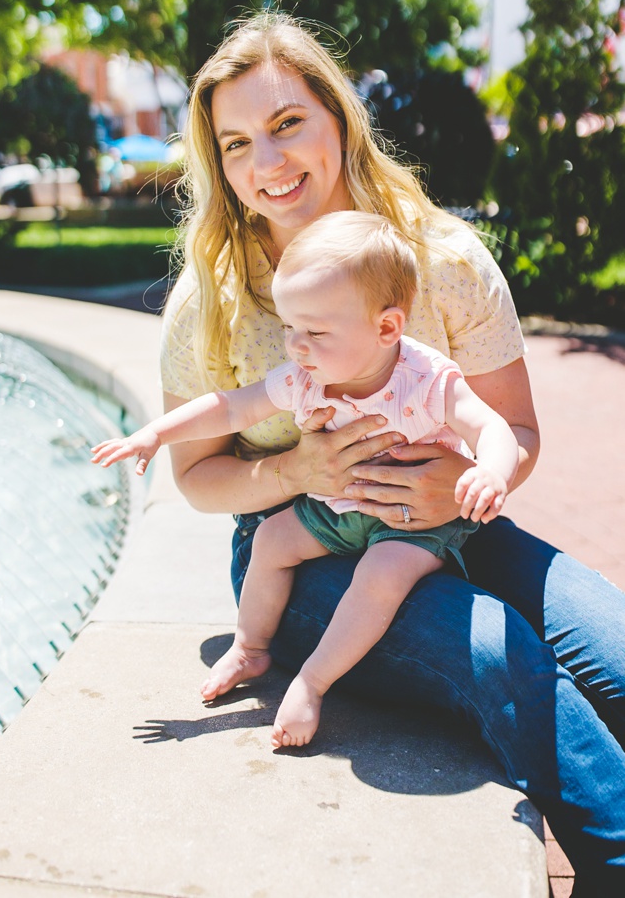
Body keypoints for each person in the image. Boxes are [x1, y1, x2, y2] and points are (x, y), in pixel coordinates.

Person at [159, 9, 625, 893]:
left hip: (454, 528)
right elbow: (195, 478)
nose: (268, 161)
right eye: (235, 142)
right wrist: (294, 470)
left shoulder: (442, 256)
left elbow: (516, 430)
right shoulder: (210, 300)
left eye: (288, 123)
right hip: (306, 554)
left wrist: (466, 481)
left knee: (618, 651)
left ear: (338, 118)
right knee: (502, 654)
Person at [96, 210, 519, 747]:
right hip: (338, 506)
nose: (295, 346)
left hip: (410, 519)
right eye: (289, 327)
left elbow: (493, 426)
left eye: (315, 332)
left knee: (380, 575)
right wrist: (157, 433)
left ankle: (312, 682)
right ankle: (251, 647)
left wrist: (490, 471)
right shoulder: (306, 376)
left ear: (387, 327)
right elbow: (229, 409)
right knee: (270, 540)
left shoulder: (425, 377)